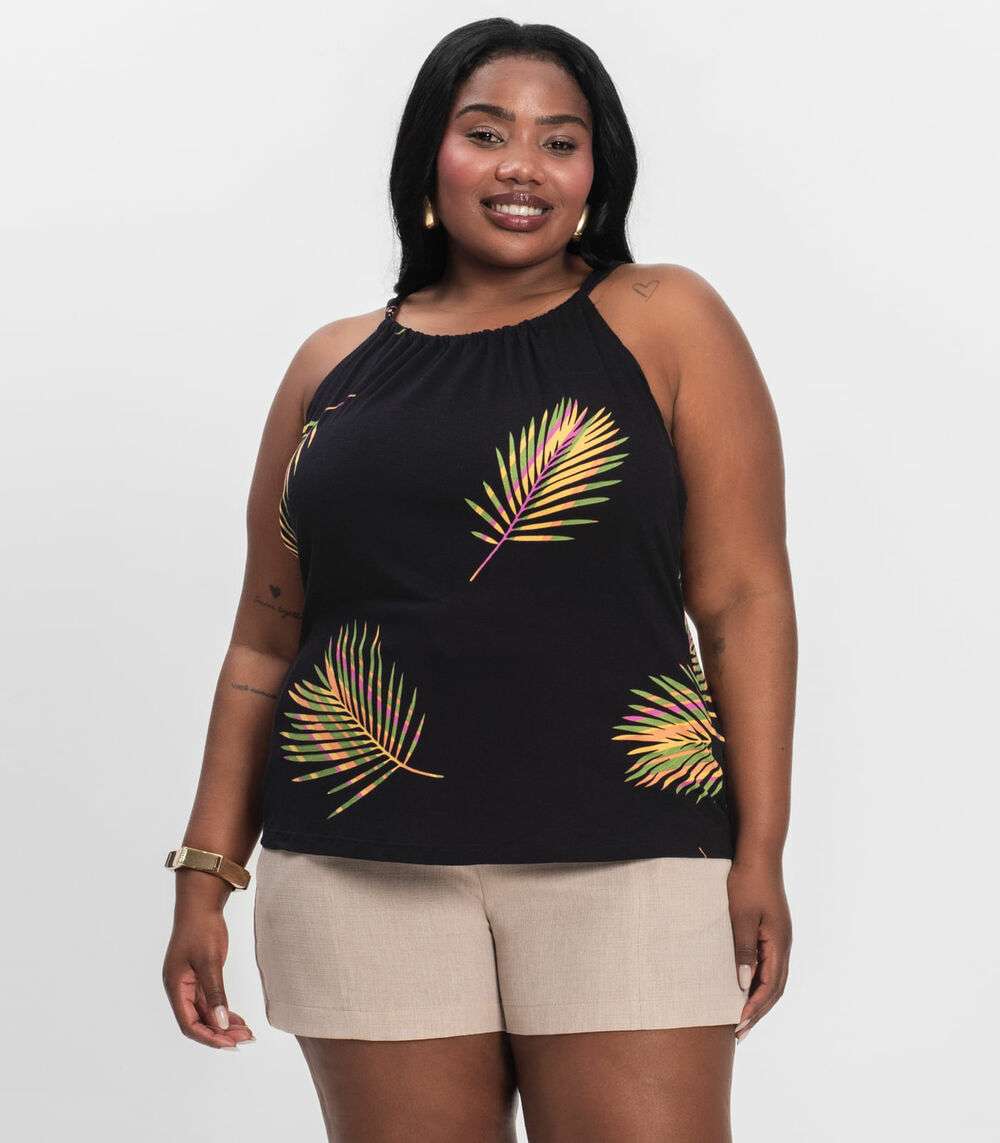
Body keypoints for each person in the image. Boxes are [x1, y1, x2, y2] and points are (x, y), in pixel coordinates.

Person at [162, 18, 795, 1143]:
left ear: (596, 174)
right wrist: (206, 873)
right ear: (429, 158)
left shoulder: (664, 318)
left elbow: (742, 598)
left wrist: (760, 853)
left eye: (561, 141)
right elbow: (266, 636)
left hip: (629, 855)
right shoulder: (332, 367)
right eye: (487, 133)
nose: (523, 166)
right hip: (355, 868)